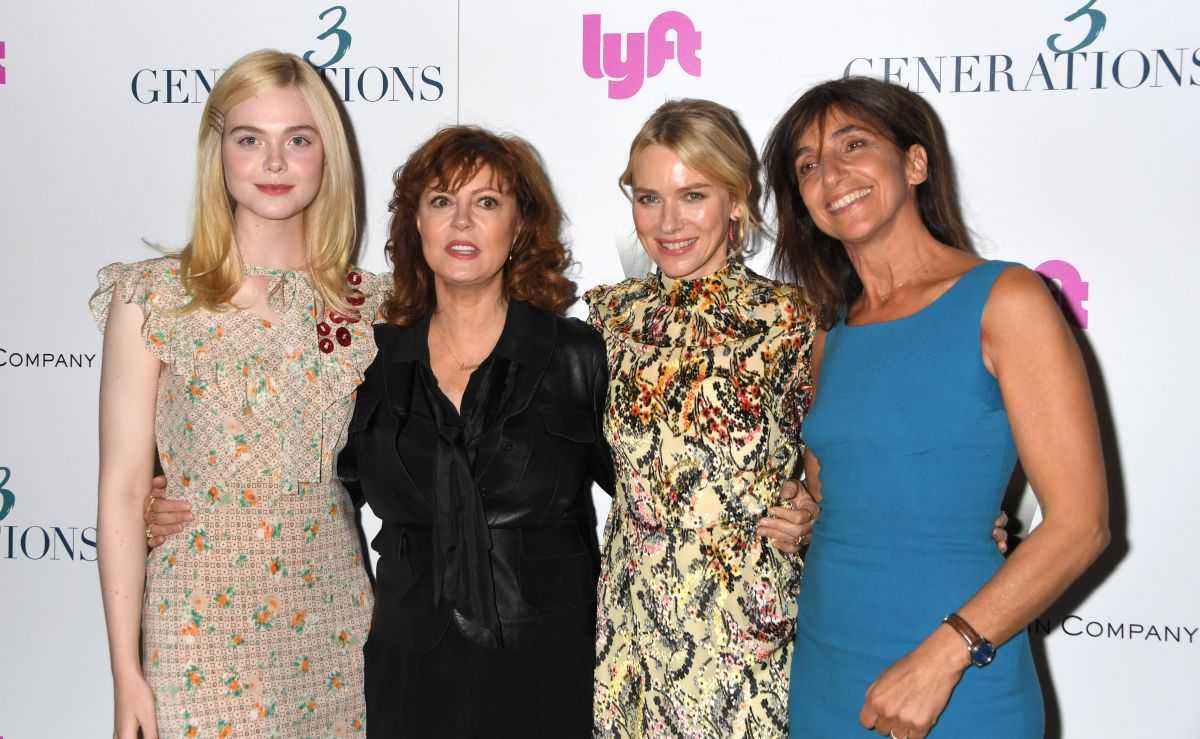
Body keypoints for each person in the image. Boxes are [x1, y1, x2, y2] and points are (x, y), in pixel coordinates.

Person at [763, 77, 1109, 738]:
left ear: (915, 163)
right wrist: (801, 512)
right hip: (825, 674)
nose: (830, 174)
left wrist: (942, 657)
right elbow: (838, 498)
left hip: (958, 679)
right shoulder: (830, 332)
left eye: (853, 145)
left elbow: (1080, 526)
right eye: (807, 165)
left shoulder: (1007, 300)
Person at [91, 49, 380, 739]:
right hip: (195, 628)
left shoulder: (373, 306)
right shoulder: (153, 297)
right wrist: (125, 672)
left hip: (336, 626)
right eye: (250, 139)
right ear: (218, 153)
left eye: (298, 140)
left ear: (327, 154)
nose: (274, 162)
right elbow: (123, 489)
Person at [586, 99, 817, 738]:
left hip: (748, 629)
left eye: (693, 195)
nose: (668, 222)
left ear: (736, 201)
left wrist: (814, 511)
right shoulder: (608, 320)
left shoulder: (791, 319)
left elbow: (851, 456)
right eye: (649, 198)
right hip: (632, 623)